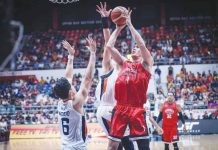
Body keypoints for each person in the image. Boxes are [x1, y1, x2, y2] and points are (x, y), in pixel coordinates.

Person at [105, 9, 158, 150]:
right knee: (112, 146)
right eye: (133, 47)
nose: (135, 48)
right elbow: (109, 46)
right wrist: (117, 28)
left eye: (137, 47)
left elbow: (141, 44)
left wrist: (129, 24)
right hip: (120, 108)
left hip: (137, 109)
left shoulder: (147, 64)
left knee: (143, 147)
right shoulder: (124, 63)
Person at [95, 2, 134, 150]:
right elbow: (108, 44)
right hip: (107, 110)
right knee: (120, 144)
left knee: (122, 143)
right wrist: (106, 22)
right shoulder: (108, 67)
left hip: (118, 111)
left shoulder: (127, 73)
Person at [54, 36, 96, 150]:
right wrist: (92, 53)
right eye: (71, 87)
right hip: (77, 147)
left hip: (64, 146)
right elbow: (88, 79)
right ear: (70, 92)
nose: (72, 86)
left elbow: (67, 77)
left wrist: (71, 56)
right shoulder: (76, 103)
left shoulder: (60, 102)